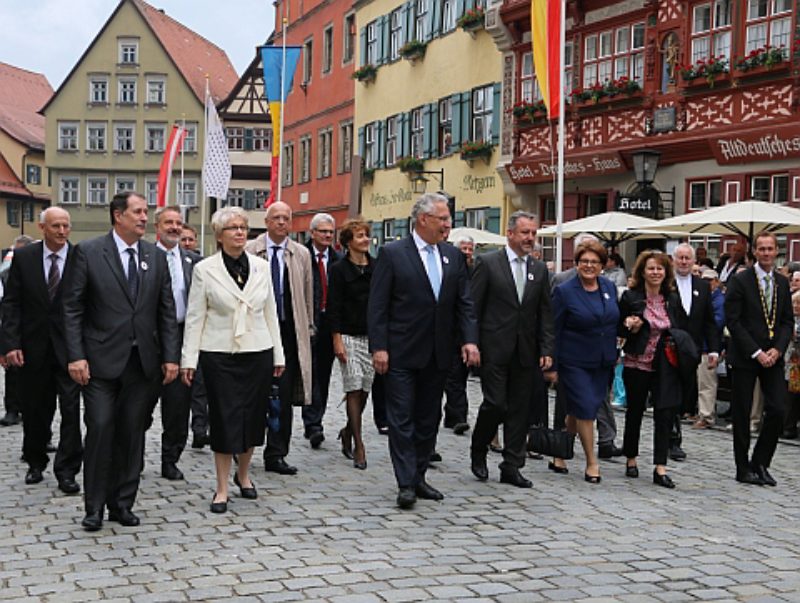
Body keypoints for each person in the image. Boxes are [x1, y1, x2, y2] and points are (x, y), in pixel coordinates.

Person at [62, 191, 179, 531]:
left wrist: (171, 356)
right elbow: (71, 308)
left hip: (141, 364)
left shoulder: (154, 257)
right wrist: (76, 355)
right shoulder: (88, 252)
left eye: (146, 213)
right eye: (138, 212)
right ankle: (94, 507)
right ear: (118, 216)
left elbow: (166, 312)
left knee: (132, 434)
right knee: (99, 428)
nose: (145, 218)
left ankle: (122, 504)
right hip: (98, 364)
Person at [368, 193, 479, 509]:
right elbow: (377, 306)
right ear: (423, 219)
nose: (448, 224)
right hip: (401, 352)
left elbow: (464, 303)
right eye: (443, 218)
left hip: (439, 352)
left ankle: (418, 476)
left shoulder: (452, 257)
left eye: (448, 219)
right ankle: (405, 482)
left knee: (428, 418)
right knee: (401, 418)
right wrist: (379, 347)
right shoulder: (393, 253)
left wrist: (469, 340)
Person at [180, 207, 285, 513]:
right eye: (233, 228)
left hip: (258, 350)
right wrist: (189, 360)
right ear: (219, 235)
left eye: (243, 227)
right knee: (224, 419)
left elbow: (271, 314)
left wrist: (278, 353)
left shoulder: (261, 267)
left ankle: (244, 474)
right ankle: (222, 487)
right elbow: (195, 316)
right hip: (219, 353)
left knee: (253, 417)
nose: (240, 232)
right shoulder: (205, 269)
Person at [0, 208, 83, 494]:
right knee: (36, 409)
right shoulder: (24, 258)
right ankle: (35, 462)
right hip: (33, 348)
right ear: (42, 228)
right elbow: (11, 303)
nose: (62, 231)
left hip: (70, 349)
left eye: (66, 226)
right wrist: (10, 344)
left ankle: (68, 469)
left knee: (71, 410)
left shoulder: (79, 257)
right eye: (56, 226)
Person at [470, 210, 554, 489]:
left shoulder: (539, 269)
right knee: (496, 404)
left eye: (533, 233)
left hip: (526, 351)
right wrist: (472, 343)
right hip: (493, 348)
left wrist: (546, 348)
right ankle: (479, 448)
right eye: (525, 233)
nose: (530, 238)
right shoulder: (488, 263)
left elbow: (544, 313)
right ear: (510, 233)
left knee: (520, 409)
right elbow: (474, 308)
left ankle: (512, 464)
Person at [245, 202, 313, 475]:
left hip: (289, 331)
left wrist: (307, 328)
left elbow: (308, 294)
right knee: (254, 395)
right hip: (257, 331)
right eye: (277, 218)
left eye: (286, 218)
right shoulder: (251, 250)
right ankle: (245, 448)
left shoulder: (301, 254)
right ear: (267, 221)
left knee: (283, 397)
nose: (282, 222)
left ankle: (277, 453)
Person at [725, 231, 793, 486]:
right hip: (746, 355)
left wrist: (778, 348)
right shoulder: (741, 281)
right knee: (742, 412)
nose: (766, 253)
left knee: (777, 408)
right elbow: (734, 320)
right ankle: (743, 467)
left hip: (773, 356)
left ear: (777, 251)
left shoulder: (782, 282)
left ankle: (761, 461)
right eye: (761, 249)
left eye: (770, 249)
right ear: (754, 251)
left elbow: (787, 320)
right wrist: (756, 351)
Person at [549, 241, 619, 483]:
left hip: (602, 361)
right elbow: (553, 330)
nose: (589, 266)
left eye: (594, 262)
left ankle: (560, 452)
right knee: (587, 408)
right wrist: (552, 365)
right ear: (577, 264)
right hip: (573, 360)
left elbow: (612, 321)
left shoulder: (608, 287)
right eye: (584, 261)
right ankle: (592, 462)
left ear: (602, 265)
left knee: (578, 410)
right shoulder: (565, 291)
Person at [618, 250, 687, 489]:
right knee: (635, 411)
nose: (655, 272)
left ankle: (660, 466)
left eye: (660, 268)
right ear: (642, 272)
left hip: (665, 364)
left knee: (664, 414)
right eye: (651, 268)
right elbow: (620, 329)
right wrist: (630, 326)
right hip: (637, 362)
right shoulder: (631, 297)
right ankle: (631, 458)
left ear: (666, 272)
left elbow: (681, 328)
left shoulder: (672, 299)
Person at [151, 205, 202, 481]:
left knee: (178, 405)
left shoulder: (194, 261)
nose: (174, 227)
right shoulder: (145, 257)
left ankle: (171, 458)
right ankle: (131, 456)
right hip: (150, 339)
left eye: (178, 223)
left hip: (184, 337)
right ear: (157, 227)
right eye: (168, 222)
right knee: (142, 404)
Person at [328, 218, 374, 469]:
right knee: (353, 386)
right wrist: (336, 339)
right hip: (346, 334)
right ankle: (358, 443)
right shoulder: (338, 269)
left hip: (371, 336)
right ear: (348, 242)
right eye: (359, 236)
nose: (365, 239)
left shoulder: (376, 267)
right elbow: (333, 306)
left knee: (365, 388)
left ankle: (347, 431)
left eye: (366, 235)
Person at [669, 244, 720, 460]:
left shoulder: (701, 286)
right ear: (673, 260)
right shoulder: (666, 284)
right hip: (669, 348)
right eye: (680, 258)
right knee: (670, 393)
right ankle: (672, 440)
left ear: (693, 262)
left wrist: (715, 349)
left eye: (687, 258)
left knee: (683, 394)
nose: (683, 262)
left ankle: (674, 431)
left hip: (693, 350)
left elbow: (709, 321)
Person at [302, 213, 342, 449]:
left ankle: (315, 422)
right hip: (307, 321)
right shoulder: (301, 255)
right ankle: (311, 422)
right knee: (309, 373)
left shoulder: (338, 259)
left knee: (323, 375)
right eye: (323, 231)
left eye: (330, 232)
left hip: (330, 324)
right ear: (312, 233)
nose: (327, 235)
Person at [0, 234, 35, 427]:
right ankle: (13, 409)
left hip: (33, 328)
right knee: (13, 371)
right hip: (13, 327)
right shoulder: (6, 271)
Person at [443, 234, 475, 434]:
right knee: (454, 376)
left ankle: (452, 415)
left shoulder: (477, 270)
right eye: (464, 248)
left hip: (467, 331)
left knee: (460, 376)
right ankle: (458, 416)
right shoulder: (451, 268)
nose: (468, 252)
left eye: (470, 248)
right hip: (449, 331)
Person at [693, 269, 725, 429]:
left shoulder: (719, 300)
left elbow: (717, 323)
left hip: (708, 346)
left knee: (707, 383)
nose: (706, 283)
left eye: (710, 280)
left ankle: (706, 416)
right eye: (704, 280)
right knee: (701, 382)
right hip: (700, 344)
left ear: (716, 282)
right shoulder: (705, 297)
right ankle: (700, 413)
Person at [782, 290, 800, 439]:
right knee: (787, 395)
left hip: (797, 362)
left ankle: (790, 426)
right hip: (788, 362)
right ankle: (786, 425)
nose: (795, 306)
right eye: (793, 303)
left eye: (798, 303)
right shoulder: (788, 320)